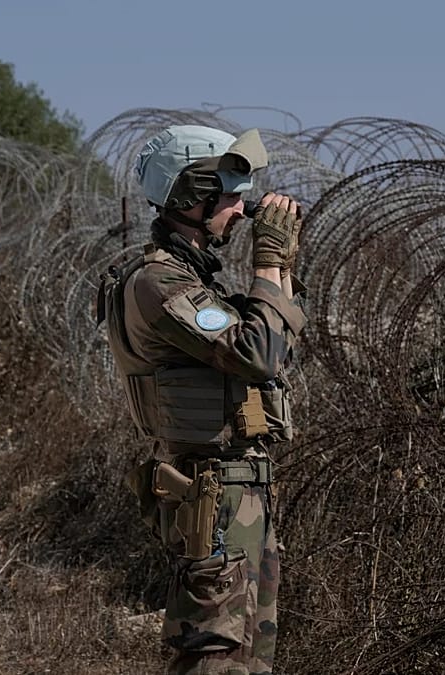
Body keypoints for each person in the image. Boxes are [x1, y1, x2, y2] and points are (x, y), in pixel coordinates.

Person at [103, 125, 304, 675]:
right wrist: (266, 262)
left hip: (243, 497)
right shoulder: (157, 282)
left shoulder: (196, 282)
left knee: (249, 660)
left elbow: (279, 340)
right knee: (213, 659)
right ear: (191, 195)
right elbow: (259, 352)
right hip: (212, 502)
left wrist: (281, 265)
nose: (241, 212)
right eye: (231, 197)